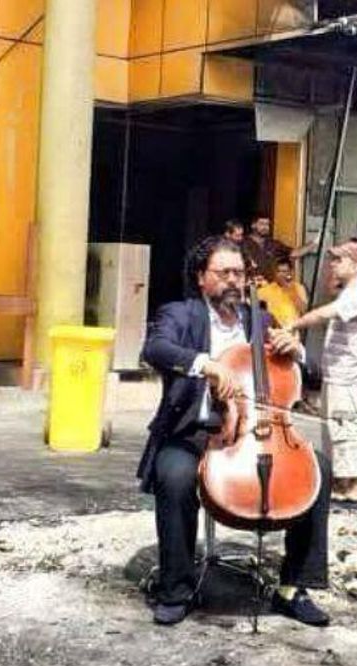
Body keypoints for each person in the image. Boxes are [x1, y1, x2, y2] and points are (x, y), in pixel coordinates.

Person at [137, 236, 331, 627]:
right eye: (222, 272)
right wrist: (205, 364)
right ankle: (176, 588)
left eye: (238, 273)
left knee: (320, 470)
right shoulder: (181, 313)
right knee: (173, 476)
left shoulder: (258, 318)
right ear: (201, 277)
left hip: (259, 429)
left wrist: (297, 352)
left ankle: (293, 587)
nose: (232, 280)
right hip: (194, 430)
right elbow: (155, 349)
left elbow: (311, 376)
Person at [286, 241, 357, 503]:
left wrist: (296, 323)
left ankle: (352, 484)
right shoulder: (350, 290)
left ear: (355, 263)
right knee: (335, 427)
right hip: (338, 371)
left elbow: (328, 313)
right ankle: (341, 481)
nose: (333, 264)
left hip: (349, 373)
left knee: (345, 426)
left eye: (339, 260)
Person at [257, 257, 308, 329]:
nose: (281, 274)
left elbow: (304, 310)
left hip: (291, 331)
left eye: (284, 271)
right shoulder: (268, 289)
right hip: (274, 331)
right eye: (279, 271)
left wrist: (291, 291)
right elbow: (253, 300)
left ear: (290, 272)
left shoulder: (298, 288)